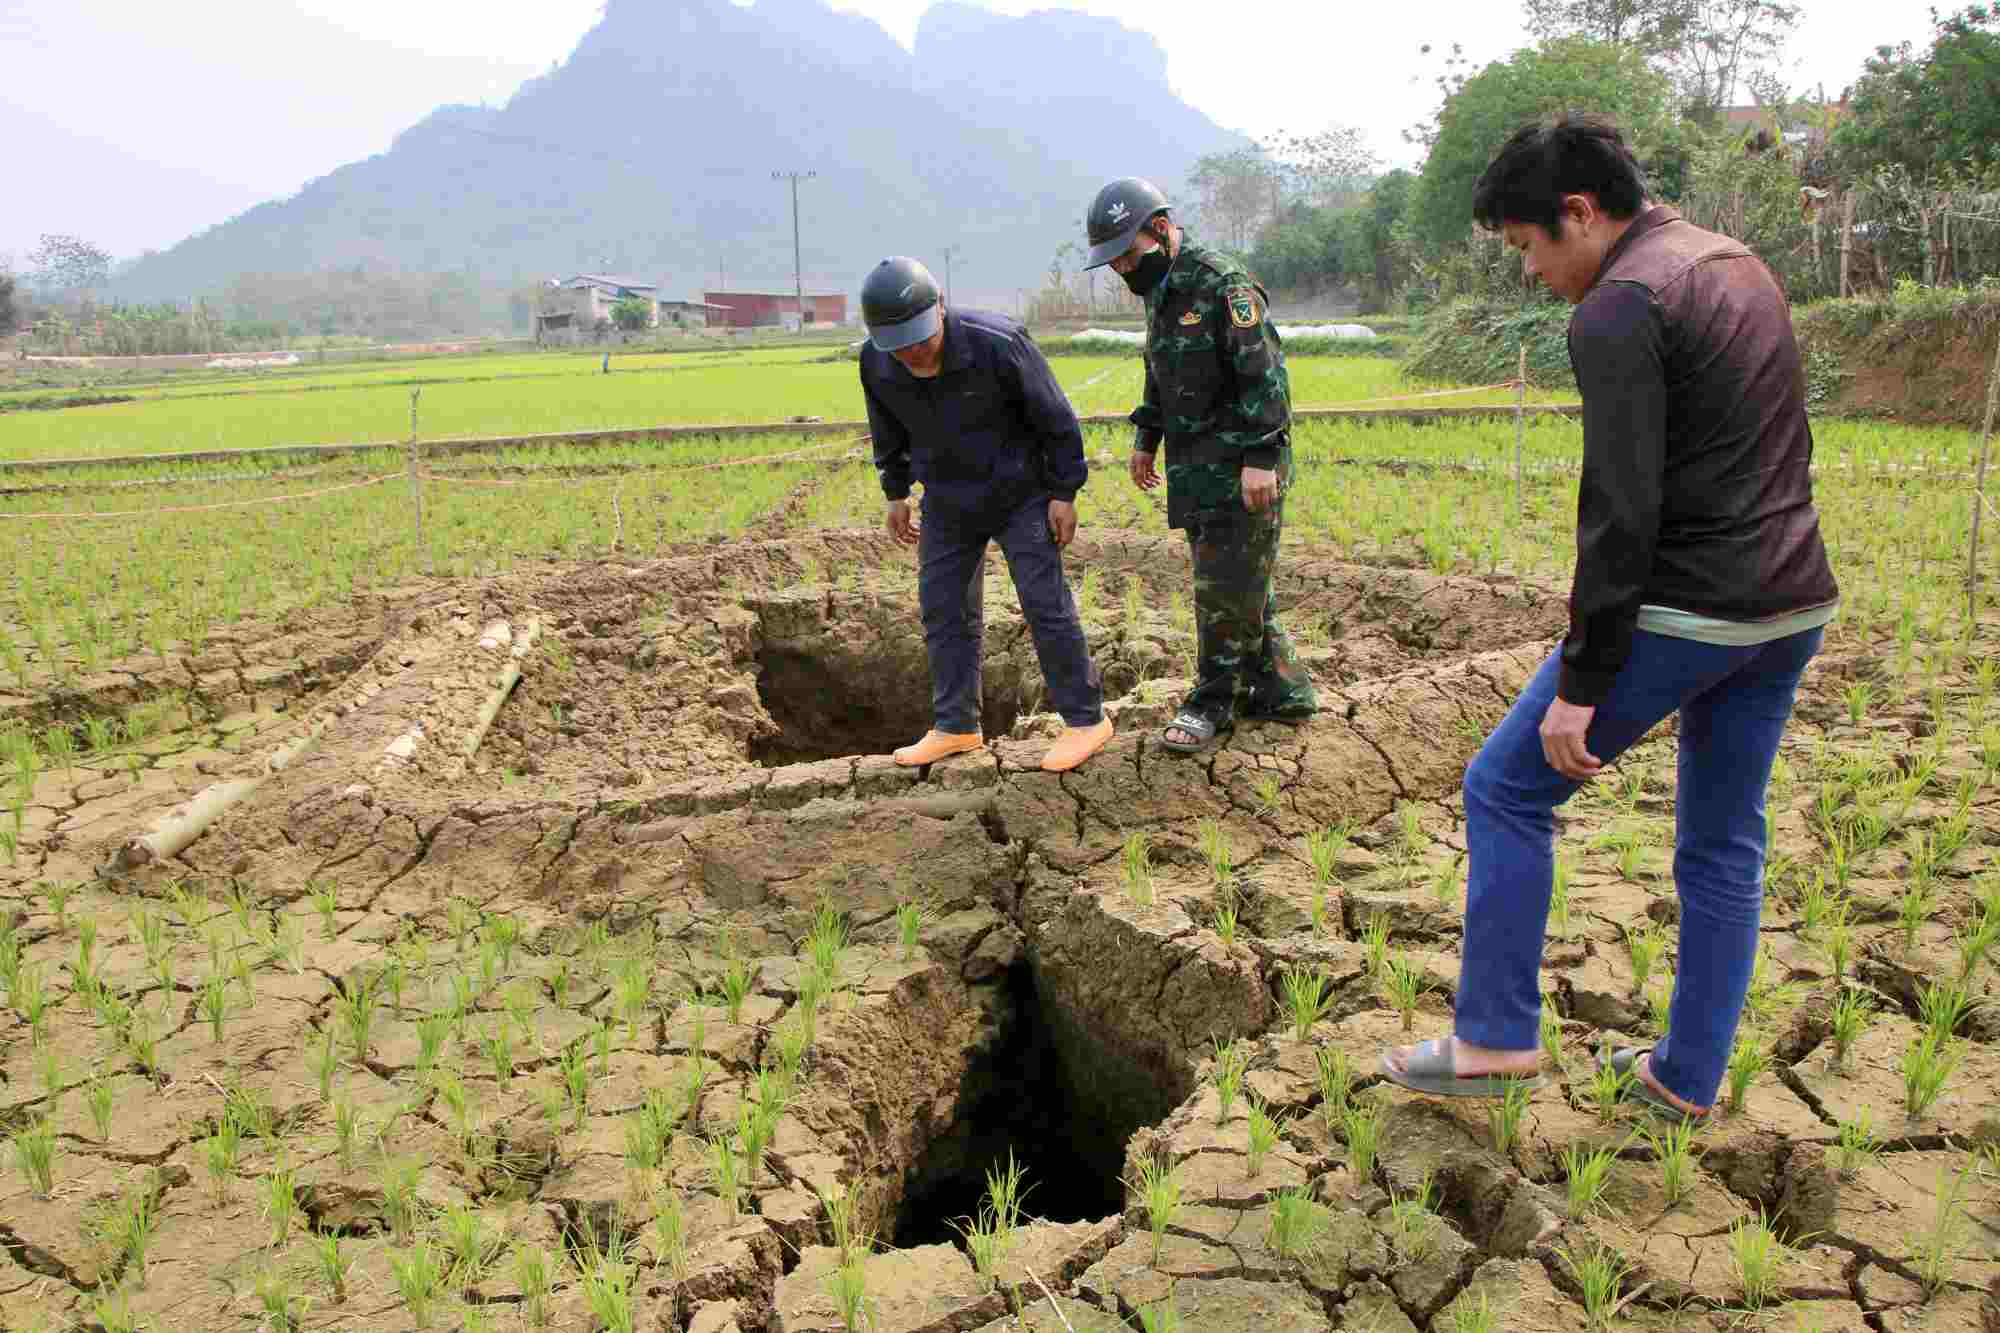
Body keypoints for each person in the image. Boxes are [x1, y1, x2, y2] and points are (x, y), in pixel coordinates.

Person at [1379, 116, 1839, 1123]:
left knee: (1504, 788)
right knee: (1722, 842)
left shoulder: (1620, 304)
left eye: (1527, 245)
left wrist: (1582, 685)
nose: (1531, 270)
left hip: (1688, 609)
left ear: (1579, 213)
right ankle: (1684, 1078)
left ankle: (1494, 1035)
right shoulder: (1735, 263)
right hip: (1791, 603)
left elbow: (1620, 513)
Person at [1080, 177, 1317, 754]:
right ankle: (1285, 692)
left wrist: (1261, 457)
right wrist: (1147, 436)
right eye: (1113, 262)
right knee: (1241, 586)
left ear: (1161, 230)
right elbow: (1160, 368)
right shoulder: (1160, 288)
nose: (1122, 269)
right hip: (1196, 467)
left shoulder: (1222, 285)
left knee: (1222, 591)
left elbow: (1265, 376)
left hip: (1242, 467)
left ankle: (1212, 703)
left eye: (1127, 255)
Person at [857, 256, 1114, 773]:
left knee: (1044, 603)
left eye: (919, 338)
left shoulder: (998, 343)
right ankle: (956, 725)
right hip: (947, 500)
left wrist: (1064, 492)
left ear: (940, 309)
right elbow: (886, 429)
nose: (911, 352)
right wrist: (895, 492)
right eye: (898, 344)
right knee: (943, 607)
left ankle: (1087, 720)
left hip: (1021, 494)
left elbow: (1056, 418)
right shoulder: (877, 362)